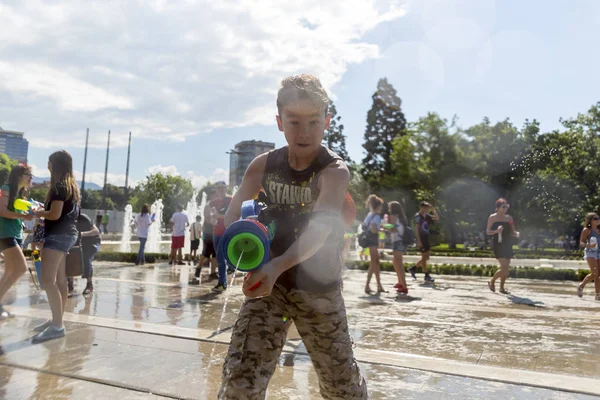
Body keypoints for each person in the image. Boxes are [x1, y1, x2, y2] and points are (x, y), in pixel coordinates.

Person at [218, 74, 368, 399]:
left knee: (343, 390)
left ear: (326, 121)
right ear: (278, 121)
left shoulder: (334, 171)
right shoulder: (262, 166)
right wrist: (242, 247)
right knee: (239, 383)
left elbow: (320, 229)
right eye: (294, 121)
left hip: (320, 292)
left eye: (313, 121)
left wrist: (276, 266)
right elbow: (232, 214)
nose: (304, 132)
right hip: (269, 291)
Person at [32, 150, 80, 343]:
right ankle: (56, 320)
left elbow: (54, 215)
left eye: (50, 162)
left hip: (58, 236)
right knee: (60, 280)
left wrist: (38, 213)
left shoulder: (59, 187)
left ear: (57, 165)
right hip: (68, 235)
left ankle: (57, 326)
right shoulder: (71, 187)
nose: (48, 166)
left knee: (48, 280)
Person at [0, 164, 35, 320]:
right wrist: (23, 217)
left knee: (9, 270)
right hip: (5, 234)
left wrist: (27, 214)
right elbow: (2, 212)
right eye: (28, 174)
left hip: (16, 234)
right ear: (19, 175)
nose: (31, 178)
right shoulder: (6, 189)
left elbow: (16, 213)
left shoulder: (21, 194)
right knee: (21, 268)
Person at [486, 198, 520, 294]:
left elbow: (512, 231)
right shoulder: (492, 217)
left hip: (508, 244)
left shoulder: (509, 218)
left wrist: (516, 233)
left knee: (505, 269)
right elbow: (488, 231)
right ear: (498, 207)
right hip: (498, 244)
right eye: (503, 207)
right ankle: (492, 281)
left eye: (507, 206)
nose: (506, 208)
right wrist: (496, 231)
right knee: (504, 269)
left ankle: (501, 288)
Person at [67, 212, 101, 296]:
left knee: (86, 258)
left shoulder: (83, 217)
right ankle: (70, 285)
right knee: (69, 258)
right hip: (77, 241)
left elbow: (96, 231)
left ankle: (89, 285)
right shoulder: (65, 219)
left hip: (92, 241)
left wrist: (82, 234)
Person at [191, 189, 218, 284]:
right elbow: (207, 219)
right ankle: (198, 269)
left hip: (215, 232)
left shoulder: (217, 205)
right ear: (211, 196)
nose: (217, 197)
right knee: (206, 253)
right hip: (208, 233)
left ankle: (213, 272)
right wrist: (215, 221)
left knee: (215, 253)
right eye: (215, 195)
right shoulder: (208, 206)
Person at [210, 181, 233, 291]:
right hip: (216, 232)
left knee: (220, 256)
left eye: (222, 188)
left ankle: (222, 283)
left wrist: (217, 216)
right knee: (220, 257)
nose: (220, 190)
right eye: (218, 188)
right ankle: (222, 282)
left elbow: (231, 216)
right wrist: (213, 220)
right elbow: (212, 217)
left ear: (226, 189)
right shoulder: (213, 202)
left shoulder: (230, 200)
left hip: (226, 231)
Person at [409, 201, 439, 283]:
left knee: (426, 257)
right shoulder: (417, 216)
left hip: (426, 238)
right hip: (421, 238)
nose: (426, 209)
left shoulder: (427, 216)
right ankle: (426, 275)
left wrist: (433, 210)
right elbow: (416, 228)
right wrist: (418, 240)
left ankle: (414, 268)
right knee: (424, 257)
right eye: (424, 208)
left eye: (427, 208)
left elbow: (436, 218)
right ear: (420, 207)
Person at [364, 194, 386, 294]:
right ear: (378, 206)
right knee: (374, 264)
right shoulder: (376, 216)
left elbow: (366, 226)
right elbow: (374, 229)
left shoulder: (369, 214)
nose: (381, 208)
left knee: (375, 264)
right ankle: (368, 286)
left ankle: (378, 285)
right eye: (381, 206)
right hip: (373, 241)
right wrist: (381, 229)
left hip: (370, 241)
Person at [577, 213, 600, 300]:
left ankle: (598, 295)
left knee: (598, 275)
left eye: (598, 218)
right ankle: (581, 285)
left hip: (599, 252)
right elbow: (581, 242)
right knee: (594, 273)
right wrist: (589, 245)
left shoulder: (599, 230)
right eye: (595, 218)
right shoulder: (587, 230)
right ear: (590, 220)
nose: (598, 220)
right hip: (591, 252)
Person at [388, 200, 409, 295]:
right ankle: (400, 282)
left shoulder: (392, 216)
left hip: (397, 241)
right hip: (401, 241)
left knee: (399, 264)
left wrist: (385, 226)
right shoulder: (401, 217)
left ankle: (404, 286)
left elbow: (392, 229)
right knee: (396, 262)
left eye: (389, 207)